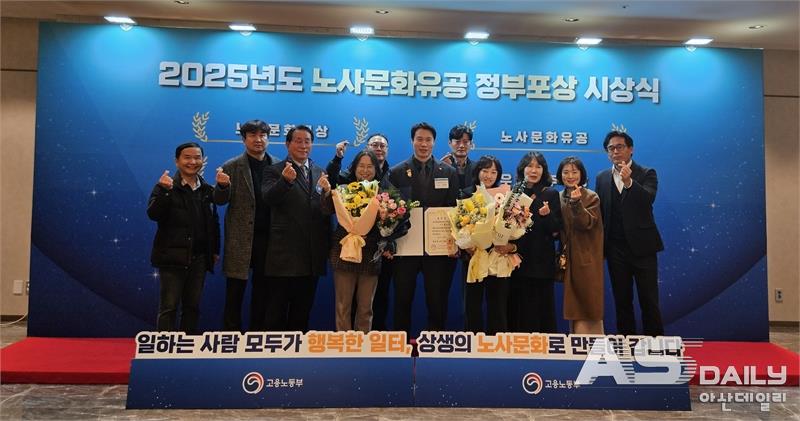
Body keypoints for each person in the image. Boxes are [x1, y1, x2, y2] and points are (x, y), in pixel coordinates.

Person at [388, 122, 459, 335]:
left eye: (428, 140)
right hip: (406, 248)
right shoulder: (396, 172)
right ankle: (400, 343)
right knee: (402, 298)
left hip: (437, 249)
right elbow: (389, 210)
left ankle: (435, 342)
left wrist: (455, 242)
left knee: (437, 299)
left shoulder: (448, 172)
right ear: (412, 141)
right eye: (419, 139)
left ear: (434, 143)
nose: (424, 144)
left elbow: (454, 210)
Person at [262, 125, 332, 332]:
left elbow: (325, 212)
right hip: (284, 256)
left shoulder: (320, 172)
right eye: (298, 141)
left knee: (302, 313)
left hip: (311, 256)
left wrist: (328, 195)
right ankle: (274, 351)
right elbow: (268, 199)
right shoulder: (274, 170)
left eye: (307, 141)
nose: (303, 145)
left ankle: (297, 351)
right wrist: (285, 181)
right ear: (287, 144)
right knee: (275, 312)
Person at [595, 130, 665, 336]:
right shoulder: (602, 177)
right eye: (611, 148)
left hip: (643, 248)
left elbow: (648, 200)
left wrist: (629, 183)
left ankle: (655, 344)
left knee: (649, 299)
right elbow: (600, 213)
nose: (615, 152)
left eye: (620, 147)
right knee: (622, 300)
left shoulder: (647, 173)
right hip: (615, 249)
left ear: (630, 149)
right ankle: (626, 344)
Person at [213, 120, 279, 332]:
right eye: (252, 135)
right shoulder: (231, 166)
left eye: (263, 135)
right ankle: (230, 337)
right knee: (234, 292)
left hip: (269, 240)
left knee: (264, 292)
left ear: (268, 138)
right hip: (240, 239)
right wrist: (222, 186)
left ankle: (257, 336)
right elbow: (219, 201)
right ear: (244, 139)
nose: (258, 140)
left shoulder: (279, 166)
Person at [147, 142, 220, 334]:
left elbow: (214, 222)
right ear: (177, 161)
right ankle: (164, 347)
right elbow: (153, 214)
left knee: (192, 307)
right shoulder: (166, 185)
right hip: (172, 257)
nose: (192, 162)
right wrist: (164, 191)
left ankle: (186, 346)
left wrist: (214, 250)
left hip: (200, 258)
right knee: (169, 307)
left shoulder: (207, 190)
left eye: (197, 157)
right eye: (187, 157)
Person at [324, 150, 387, 332]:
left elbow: (389, 227)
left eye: (370, 166)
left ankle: (363, 344)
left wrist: (385, 218)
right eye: (361, 166)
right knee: (343, 306)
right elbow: (326, 209)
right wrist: (327, 192)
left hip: (370, 254)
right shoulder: (343, 189)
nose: (365, 170)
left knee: (366, 308)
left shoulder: (382, 193)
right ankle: (344, 343)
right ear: (354, 168)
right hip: (344, 252)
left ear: (376, 169)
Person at [508, 152, 562, 334]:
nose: (534, 170)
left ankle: (545, 347)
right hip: (517, 260)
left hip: (541, 262)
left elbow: (556, 231)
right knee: (518, 308)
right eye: (530, 166)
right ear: (522, 169)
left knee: (542, 309)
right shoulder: (514, 193)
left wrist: (547, 215)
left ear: (543, 170)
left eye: (538, 166)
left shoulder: (551, 194)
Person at [461, 155, 514, 335]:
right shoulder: (466, 194)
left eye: (493, 172)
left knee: (497, 304)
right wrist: (466, 245)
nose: (489, 176)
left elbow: (512, 224)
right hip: (474, 256)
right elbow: (459, 224)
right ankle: (473, 341)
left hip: (498, 256)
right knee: (472, 305)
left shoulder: (505, 196)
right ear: (478, 172)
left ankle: (496, 343)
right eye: (485, 171)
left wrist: (508, 243)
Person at [557, 156, 604, 335]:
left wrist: (577, 204)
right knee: (573, 304)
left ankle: (593, 344)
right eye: (566, 172)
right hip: (568, 258)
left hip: (587, 257)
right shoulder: (559, 197)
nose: (570, 176)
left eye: (574, 172)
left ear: (581, 174)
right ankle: (575, 341)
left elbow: (586, 224)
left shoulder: (591, 196)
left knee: (588, 302)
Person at [326, 133, 391, 186]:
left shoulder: (391, 176)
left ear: (387, 149)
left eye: (382, 146)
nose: (379, 149)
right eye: (375, 145)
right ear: (367, 148)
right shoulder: (352, 173)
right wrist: (338, 158)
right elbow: (332, 182)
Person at [440, 124, 477, 198]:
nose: (461, 145)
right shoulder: (441, 166)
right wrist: (440, 170)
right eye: (457, 142)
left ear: (471, 144)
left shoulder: (477, 168)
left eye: (465, 142)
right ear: (450, 143)